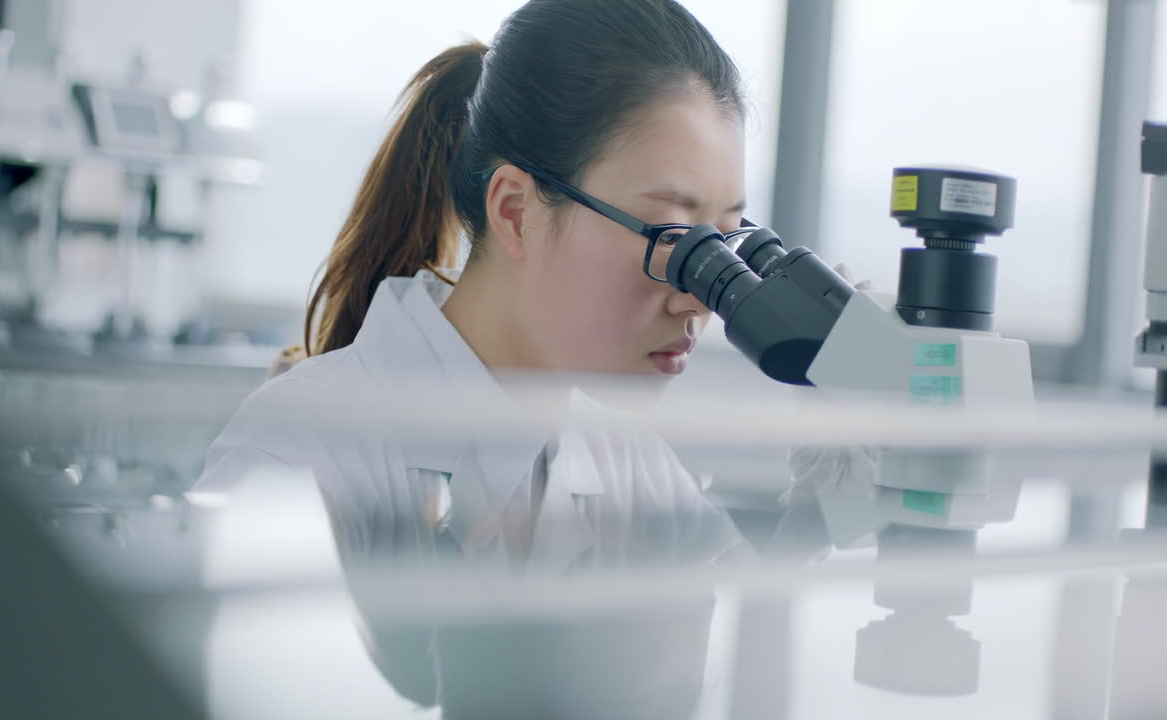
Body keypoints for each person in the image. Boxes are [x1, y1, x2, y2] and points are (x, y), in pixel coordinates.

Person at [196, 0, 861, 716]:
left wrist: (831, 499)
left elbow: (731, 662)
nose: (697, 300)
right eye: (675, 242)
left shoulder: (623, 454)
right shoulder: (303, 449)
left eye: (725, 247)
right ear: (514, 210)